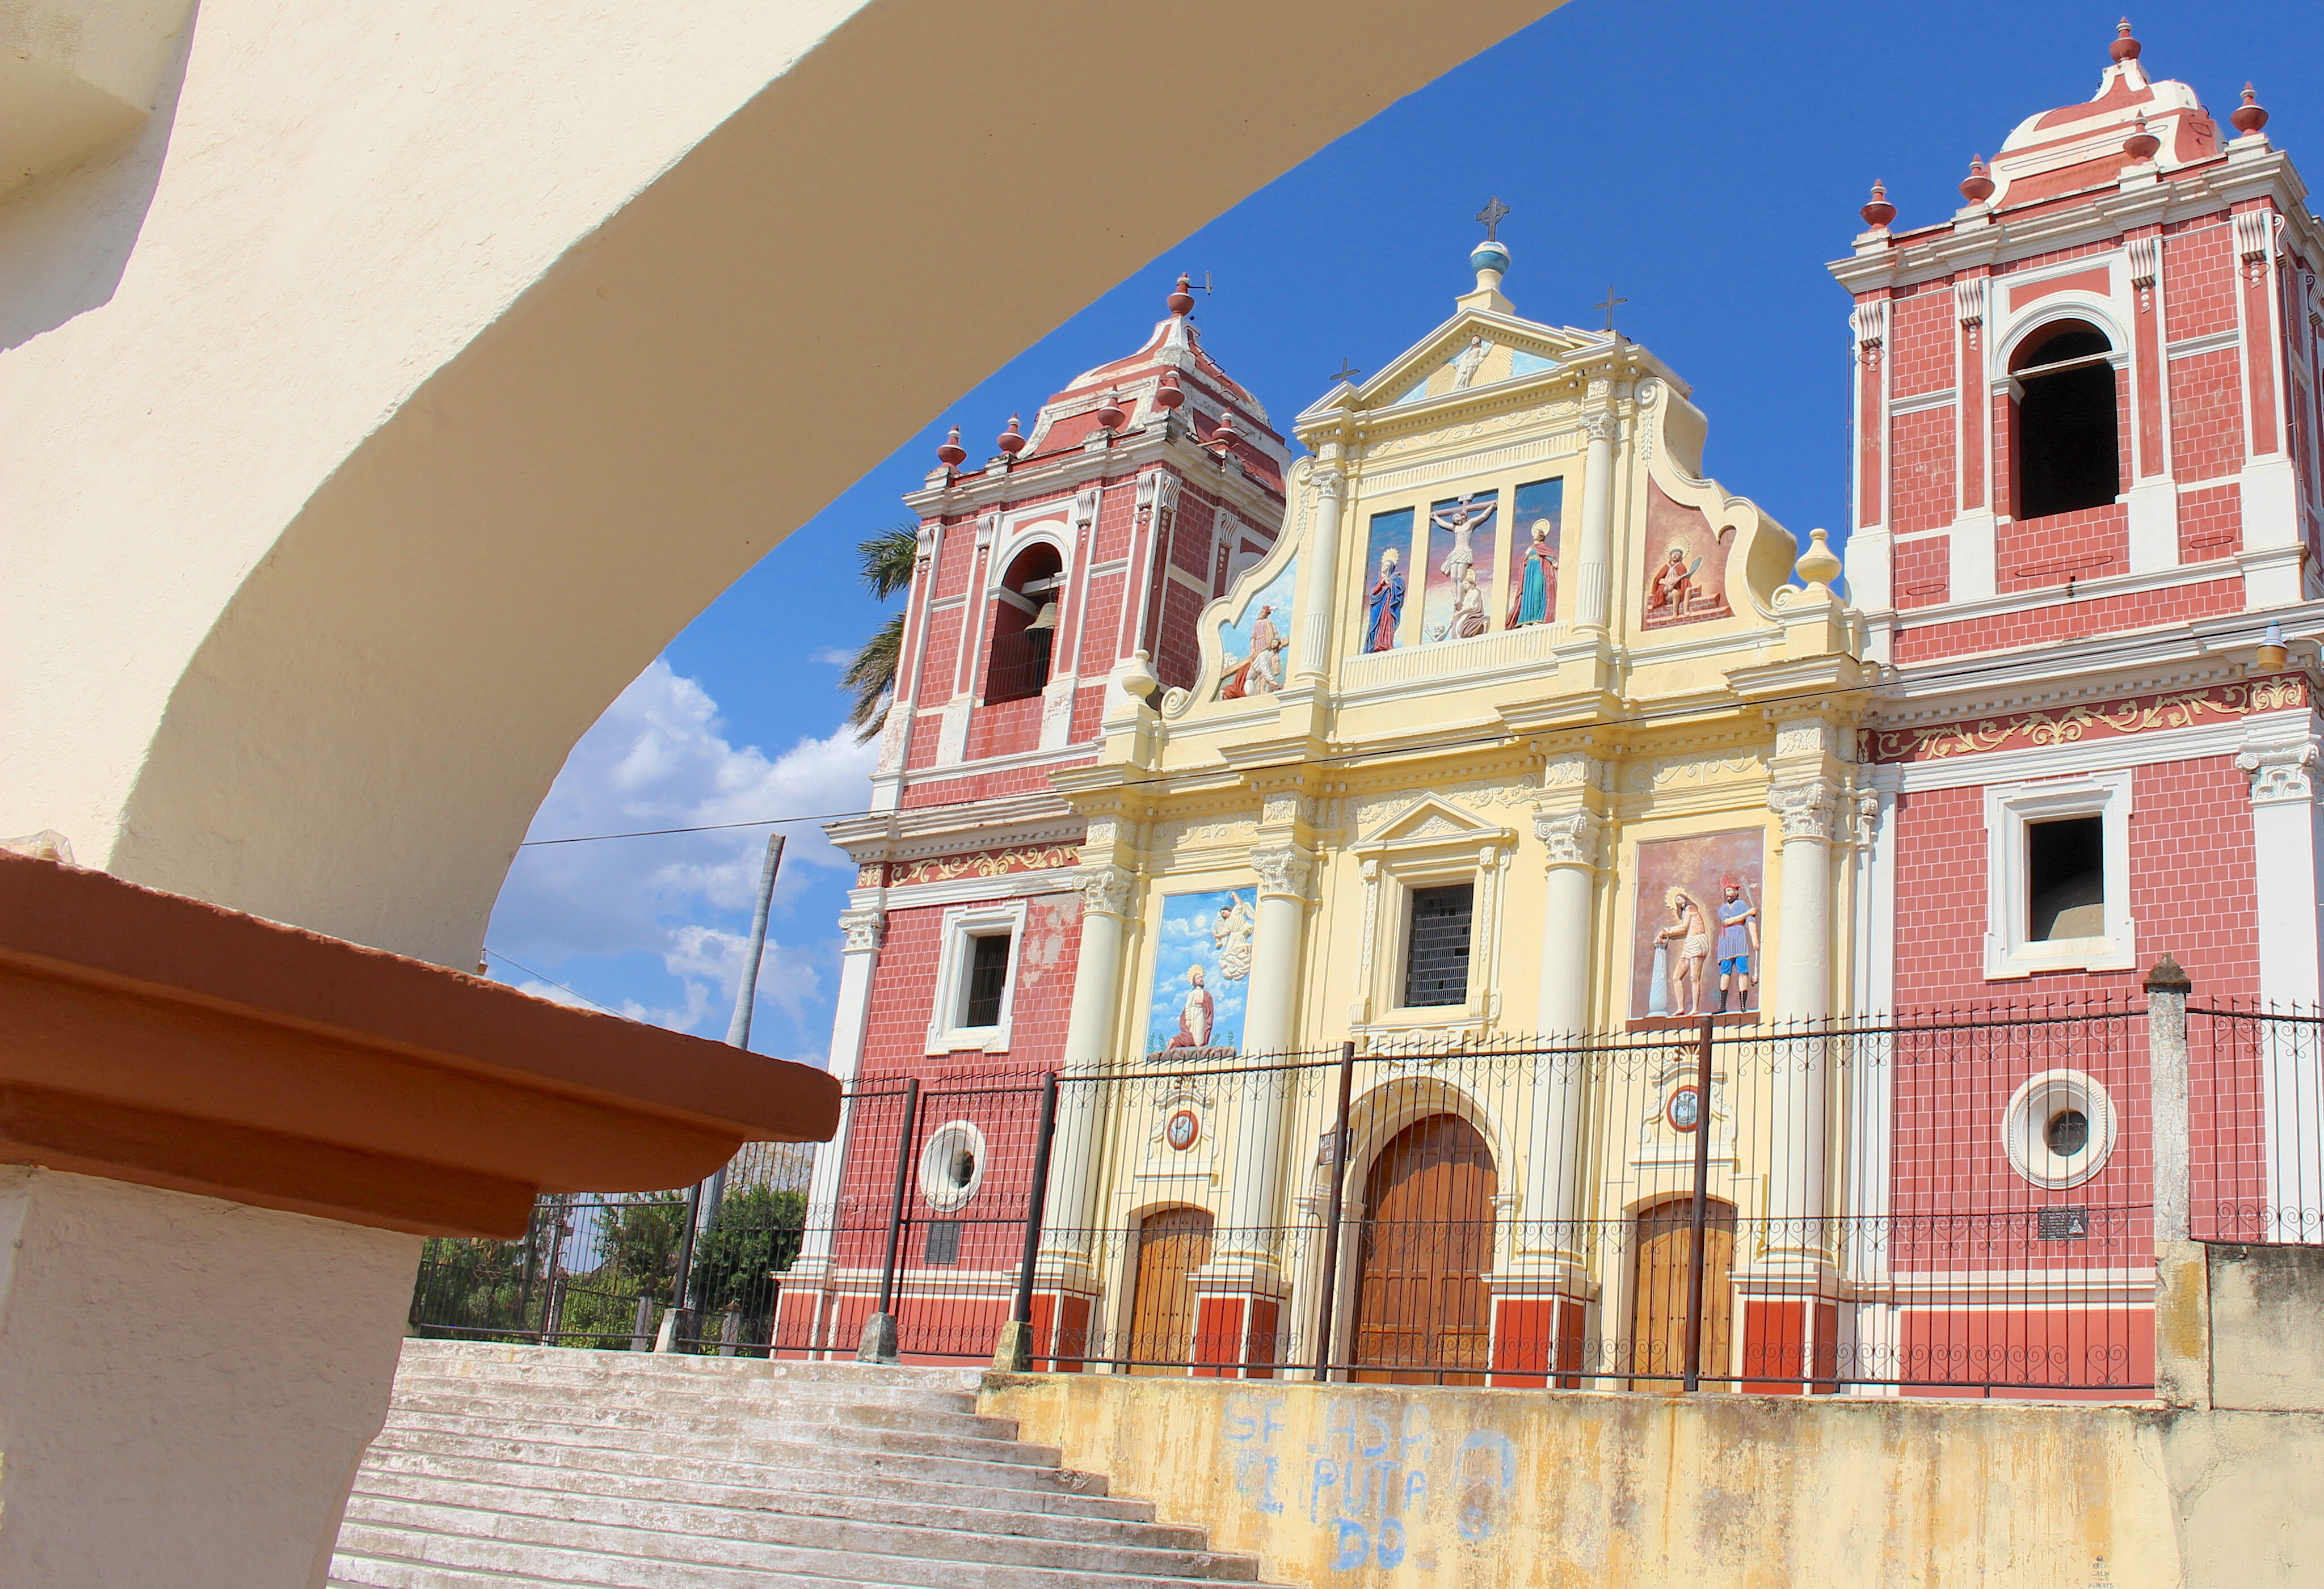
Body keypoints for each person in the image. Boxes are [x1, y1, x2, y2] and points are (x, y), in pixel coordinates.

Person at [1654, 887, 1711, 1017]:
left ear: (1686, 898)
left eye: (1680, 898)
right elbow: (1684, 931)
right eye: (1677, 901)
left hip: (1697, 942)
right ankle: (1681, 1007)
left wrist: (1666, 931)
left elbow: (1684, 928)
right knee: (1676, 977)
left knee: (1694, 978)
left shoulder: (1691, 909)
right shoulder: (1685, 912)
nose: (1679, 901)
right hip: (1689, 944)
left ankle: (1696, 1008)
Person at [1715, 880, 1759, 1013]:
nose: (1728, 894)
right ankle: (1722, 1006)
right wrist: (1747, 914)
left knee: (1743, 972)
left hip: (1740, 942)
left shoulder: (1741, 905)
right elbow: (1727, 921)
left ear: (1736, 892)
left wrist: (1755, 940)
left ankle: (1743, 1005)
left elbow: (1750, 922)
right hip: (1726, 943)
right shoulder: (1723, 909)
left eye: (1730, 891)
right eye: (1726, 891)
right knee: (1725, 974)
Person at [1510, 519, 1555, 626]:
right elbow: (1524, 561)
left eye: (1537, 533)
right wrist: (1526, 556)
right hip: (1529, 571)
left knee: (1537, 590)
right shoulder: (1530, 548)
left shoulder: (1543, 547)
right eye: (1534, 533)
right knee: (1527, 594)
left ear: (1541, 536)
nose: (1534, 535)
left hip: (1538, 569)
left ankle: (1538, 618)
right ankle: (1526, 620)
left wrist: (1553, 561)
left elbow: (1548, 555)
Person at [1649, 542, 1702, 621]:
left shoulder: (1681, 567)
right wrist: (1667, 584)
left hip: (1675, 590)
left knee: (1676, 593)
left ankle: (1675, 613)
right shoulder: (1667, 566)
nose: (1675, 555)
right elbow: (1659, 579)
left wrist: (1675, 582)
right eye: (1673, 554)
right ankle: (1668, 588)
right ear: (1670, 556)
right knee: (1669, 588)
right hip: (1664, 590)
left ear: (1680, 557)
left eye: (1677, 554)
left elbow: (1684, 579)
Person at [1366, 546, 1405, 652]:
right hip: (1378, 606)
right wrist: (1382, 584)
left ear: (1390, 568)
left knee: (1386, 622)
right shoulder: (1378, 579)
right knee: (1375, 625)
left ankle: (1385, 643)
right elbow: (1373, 594)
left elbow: (1399, 589)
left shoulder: (1395, 578)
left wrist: (1391, 584)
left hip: (1387, 605)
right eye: (1384, 565)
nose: (1384, 567)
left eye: (1387, 566)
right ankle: (1375, 644)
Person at [1166, 965, 1214, 1049]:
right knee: (1192, 1035)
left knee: (1200, 1034)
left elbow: (1209, 1002)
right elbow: (1188, 1006)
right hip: (1194, 1014)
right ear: (1195, 982)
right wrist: (1188, 1019)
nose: (1201, 980)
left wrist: (1203, 1002)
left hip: (1201, 1014)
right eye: (1198, 979)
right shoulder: (1193, 993)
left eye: (1201, 978)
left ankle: (1198, 1047)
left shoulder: (1205, 993)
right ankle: (1174, 1041)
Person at [1245, 604, 1285, 693]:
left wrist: (1277, 643)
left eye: (1263, 613)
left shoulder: (1268, 623)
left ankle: (1262, 689)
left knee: (1265, 664)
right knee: (1261, 665)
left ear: (1266, 614)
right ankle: (1265, 687)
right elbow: (1253, 637)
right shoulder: (1256, 623)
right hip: (1258, 645)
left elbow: (1275, 632)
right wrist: (1253, 648)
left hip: (1267, 645)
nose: (1260, 614)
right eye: (1260, 612)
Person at [1447, 568, 1488, 638]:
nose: (1464, 585)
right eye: (1463, 584)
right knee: (1458, 627)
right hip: (1465, 614)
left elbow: (1471, 607)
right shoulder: (1466, 595)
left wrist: (1459, 613)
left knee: (1459, 626)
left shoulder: (1475, 592)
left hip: (1472, 613)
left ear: (1472, 584)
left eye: (1466, 583)